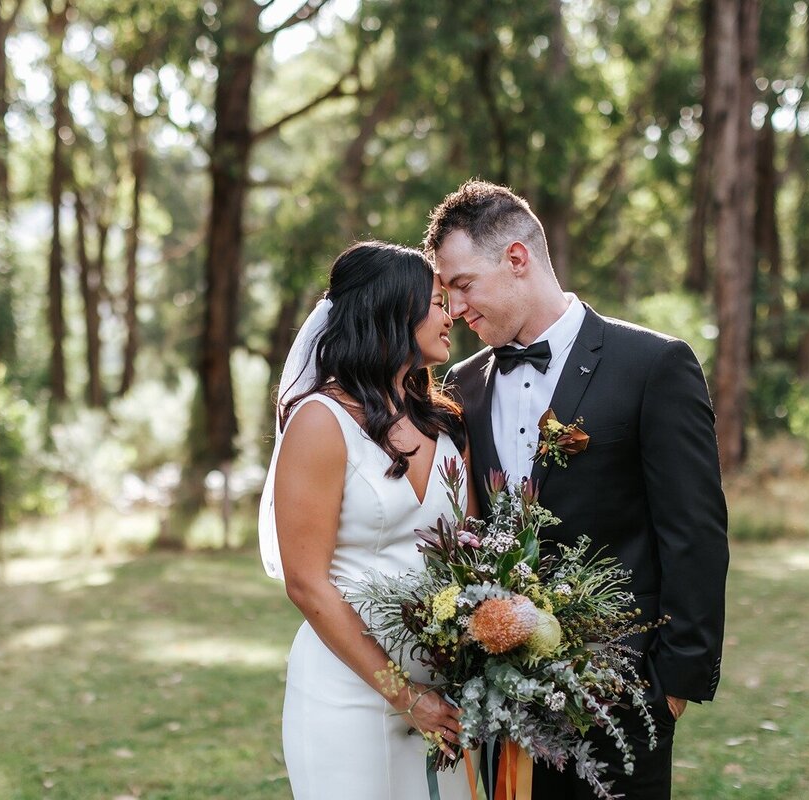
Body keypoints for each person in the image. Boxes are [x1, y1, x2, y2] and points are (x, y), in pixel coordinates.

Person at [428, 181, 729, 799]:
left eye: (462, 285)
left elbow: (694, 532)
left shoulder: (653, 365)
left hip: (619, 695)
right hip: (498, 699)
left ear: (517, 259)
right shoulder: (461, 386)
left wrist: (670, 688)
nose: (454, 309)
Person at [259, 241, 477, 799]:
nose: (449, 314)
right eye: (435, 302)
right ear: (392, 311)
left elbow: (475, 553)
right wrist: (404, 695)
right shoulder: (320, 422)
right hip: (347, 694)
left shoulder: (445, 424)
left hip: (446, 693)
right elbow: (305, 582)